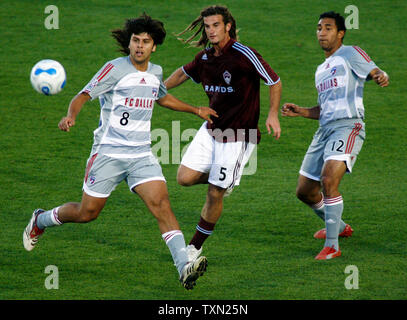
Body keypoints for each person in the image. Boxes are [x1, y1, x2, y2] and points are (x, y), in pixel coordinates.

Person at [23, 13, 218, 290]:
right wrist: (71, 116)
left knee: (162, 205)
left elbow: (161, 96)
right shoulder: (114, 69)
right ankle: (41, 219)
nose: (139, 46)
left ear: (154, 47)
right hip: (108, 154)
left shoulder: (155, 72)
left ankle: (183, 266)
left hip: (140, 156)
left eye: (145, 41)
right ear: (129, 44)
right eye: (135, 41)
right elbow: (82, 95)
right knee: (87, 213)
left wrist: (195, 109)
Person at [164, 5, 282, 261]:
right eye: (207, 26)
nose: (211, 30)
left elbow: (274, 80)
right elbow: (183, 73)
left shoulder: (243, 54)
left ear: (228, 26)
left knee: (215, 192)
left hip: (239, 133)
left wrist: (273, 114)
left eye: (216, 25)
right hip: (212, 127)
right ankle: (224, 179)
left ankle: (194, 247)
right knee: (184, 178)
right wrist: (158, 89)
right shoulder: (205, 58)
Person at [281, 11, 389, 260]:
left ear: (340, 33)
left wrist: (380, 76)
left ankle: (332, 246)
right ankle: (340, 227)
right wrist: (302, 111)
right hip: (324, 130)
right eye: (319, 28)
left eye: (328, 28)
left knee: (328, 180)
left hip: (348, 126)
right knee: (304, 190)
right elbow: (324, 109)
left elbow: (374, 71)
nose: (321, 32)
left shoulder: (349, 53)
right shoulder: (321, 70)